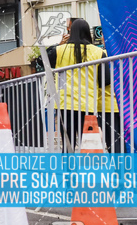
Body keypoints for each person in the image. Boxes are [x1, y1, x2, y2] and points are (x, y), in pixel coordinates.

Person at [46, 18, 107, 152]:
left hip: (64, 104)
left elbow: (42, 62)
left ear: (71, 32)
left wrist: (59, 43)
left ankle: (68, 171)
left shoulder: (59, 50)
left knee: (68, 144)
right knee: (88, 144)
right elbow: (105, 80)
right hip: (87, 105)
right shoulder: (98, 52)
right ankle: (87, 171)